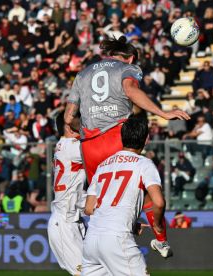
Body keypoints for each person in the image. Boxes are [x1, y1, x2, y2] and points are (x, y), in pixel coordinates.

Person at [64, 35, 188, 256]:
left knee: (100, 199)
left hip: (90, 146)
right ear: (130, 58)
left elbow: (68, 117)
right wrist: (163, 113)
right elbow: (130, 90)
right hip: (116, 138)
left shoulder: (82, 74)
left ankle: (110, 249)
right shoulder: (127, 69)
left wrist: (84, 129)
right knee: (148, 194)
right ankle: (160, 240)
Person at [82, 117, 170, 276]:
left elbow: (89, 208)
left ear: (122, 137)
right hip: (117, 239)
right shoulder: (144, 164)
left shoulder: (103, 166)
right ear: (146, 139)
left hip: (91, 241)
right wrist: (157, 226)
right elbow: (158, 202)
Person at [47, 111, 86, 276]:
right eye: (79, 119)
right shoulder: (72, 146)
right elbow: (101, 154)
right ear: (68, 125)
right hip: (64, 223)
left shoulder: (66, 145)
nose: (84, 122)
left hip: (75, 220)